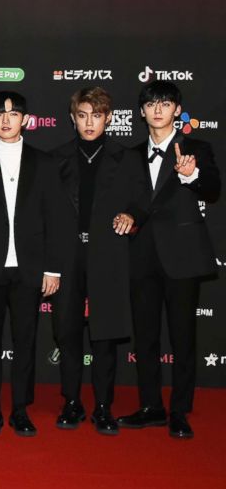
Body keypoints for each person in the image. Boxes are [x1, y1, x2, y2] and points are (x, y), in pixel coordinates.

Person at [0, 91, 67, 437]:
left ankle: (20, 409)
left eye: (14, 113)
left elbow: (56, 218)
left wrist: (53, 268)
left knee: (26, 340)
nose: (7, 119)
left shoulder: (45, 162)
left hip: (30, 267)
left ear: (25, 119)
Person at [118, 81, 221, 439]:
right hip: (142, 256)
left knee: (182, 338)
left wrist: (190, 174)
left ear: (177, 110)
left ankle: (179, 410)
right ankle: (151, 406)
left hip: (183, 256)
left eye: (165, 103)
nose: (158, 109)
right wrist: (129, 216)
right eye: (151, 104)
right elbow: (132, 200)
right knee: (145, 337)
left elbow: (212, 188)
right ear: (142, 111)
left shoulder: (197, 148)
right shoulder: (130, 155)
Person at [50, 87, 149, 435]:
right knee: (67, 332)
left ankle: (103, 406)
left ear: (108, 118)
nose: (89, 123)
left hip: (109, 255)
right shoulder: (56, 158)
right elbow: (45, 215)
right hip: (66, 255)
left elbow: (142, 201)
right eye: (82, 115)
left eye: (96, 115)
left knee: (105, 336)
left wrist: (131, 216)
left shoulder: (128, 158)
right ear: (73, 118)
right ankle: (71, 403)